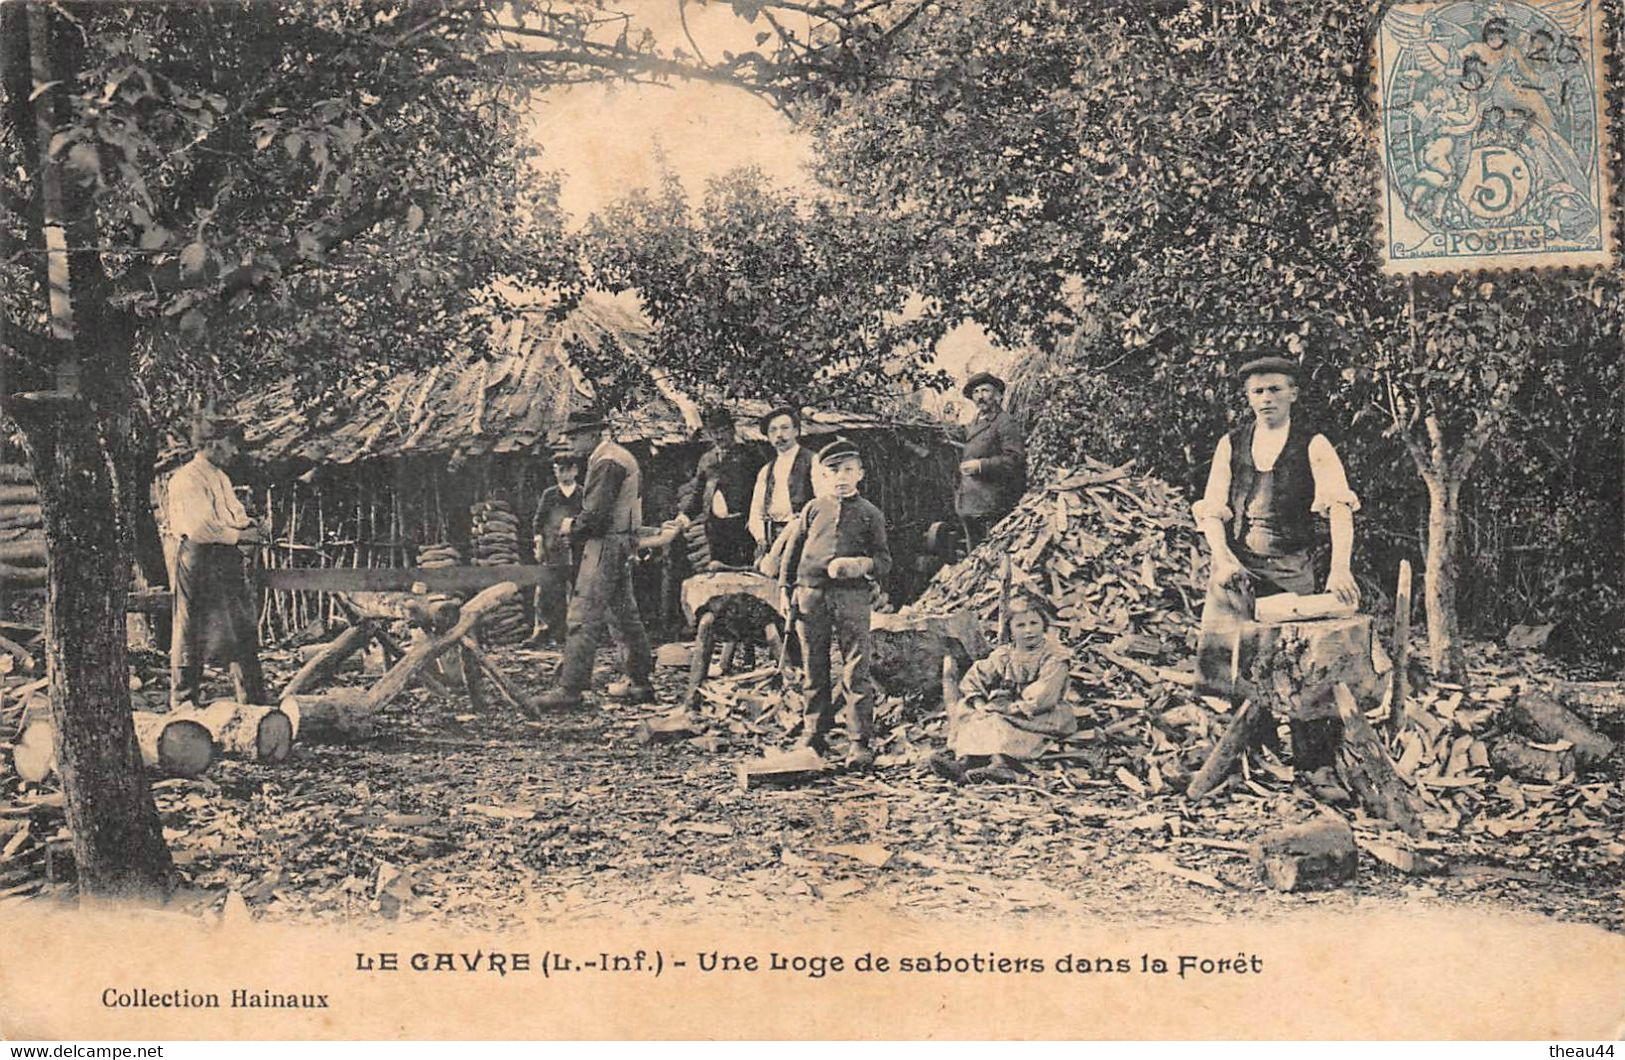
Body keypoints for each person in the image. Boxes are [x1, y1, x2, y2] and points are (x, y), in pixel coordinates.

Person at [1192, 355, 1360, 778]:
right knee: (1238, 663)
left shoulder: (1313, 444)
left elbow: (1339, 508)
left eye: (1274, 389)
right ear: (1248, 398)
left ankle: (1316, 766)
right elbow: (1212, 510)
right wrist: (1223, 557)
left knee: (1307, 666)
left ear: (1292, 394)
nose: (1266, 398)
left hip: (1291, 570)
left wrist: (1340, 568)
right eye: (1257, 391)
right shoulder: (1232, 443)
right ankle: (1252, 757)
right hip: (1240, 571)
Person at [776, 437, 891, 769]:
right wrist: (786, 589)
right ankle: (815, 732)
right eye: (833, 471)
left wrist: (863, 565)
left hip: (851, 597)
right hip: (810, 595)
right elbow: (792, 552)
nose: (841, 478)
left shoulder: (870, 514)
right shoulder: (813, 509)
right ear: (823, 477)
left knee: (856, 669)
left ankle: (859, 741)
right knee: (814, 666)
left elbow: (884, 560)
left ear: (860, 474)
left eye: (848, 470)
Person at [532, 412, 655, 710]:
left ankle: (570, 688)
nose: (571, 444)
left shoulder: (607, 462)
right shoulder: (615, 457)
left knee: (581, 615)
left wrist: (571, 527)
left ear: (594, 434)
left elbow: (596, 515)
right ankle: (640, 683)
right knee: (623, 615)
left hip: (606, 543)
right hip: (620, 539)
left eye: (575, 437)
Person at [164, 415, 268, 708]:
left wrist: (251, 526)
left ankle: (254, 703)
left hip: (226, 557)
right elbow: (200, 528)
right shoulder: (187, 479)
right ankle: (184, 701)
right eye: (230, 444)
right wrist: (239, 536)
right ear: (211, 444)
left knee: (242, 625)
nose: (235, 451)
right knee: (190, 628)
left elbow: (236, 515)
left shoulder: (220, 477)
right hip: (199, 558)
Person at [930, 592, 1074, 784]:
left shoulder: (1054, 657)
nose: (1028, 631)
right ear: (1011, 629)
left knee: (998, 721)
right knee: (971, 712)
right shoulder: (1005, 654)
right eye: (1020, 625)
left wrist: (1011, 708)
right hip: (1008, 706)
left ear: (1044, 625)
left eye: (1034, 623)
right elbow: (975, 677)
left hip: (1043, 714)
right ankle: (965, 762)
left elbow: (1044, 696)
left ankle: (1001, 765)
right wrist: (980, 704)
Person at [678, 404, 761, 568]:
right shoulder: (707, 459)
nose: (719, 436)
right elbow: (698, 493)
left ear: (732, 430)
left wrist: (756, 521)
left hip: (742, 525)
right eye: (714, 432)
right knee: (718, 568)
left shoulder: (750, 455)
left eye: (723, 430)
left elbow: (762, 491)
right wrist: (684, 516)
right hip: (715, 528)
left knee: (743, 570)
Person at [955, 371, 1025, 552]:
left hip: (993, 506)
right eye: (976, 392)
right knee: (975, 561)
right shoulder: (974, 424)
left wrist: (980, 465)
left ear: (998, 395)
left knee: (994, 557)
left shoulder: (1004, 422)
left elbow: (1014, 460)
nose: (980, 397)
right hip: (971, 505)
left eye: (985, 391)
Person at [525, 449, 584, 647]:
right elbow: (538, 522)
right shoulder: (549, 495)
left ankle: (575, 633)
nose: (561, 474)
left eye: (566, 470)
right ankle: (547, 632)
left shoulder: (583, 494)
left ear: (575, 470)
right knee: (549, 592)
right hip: (553, 550)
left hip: (577, 551)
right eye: (558, 470)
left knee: (577, 590)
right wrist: (539, 544)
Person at [746, 404, 816, 558]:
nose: (779, 434)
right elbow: (756, 511)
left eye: (785, 428)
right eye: (773, 430)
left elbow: (825, 503)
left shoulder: (813, 461)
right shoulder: (766, 470)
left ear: (796, 431)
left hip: (804, 537)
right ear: (769, 437)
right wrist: (761, 538)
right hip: (772, 537)